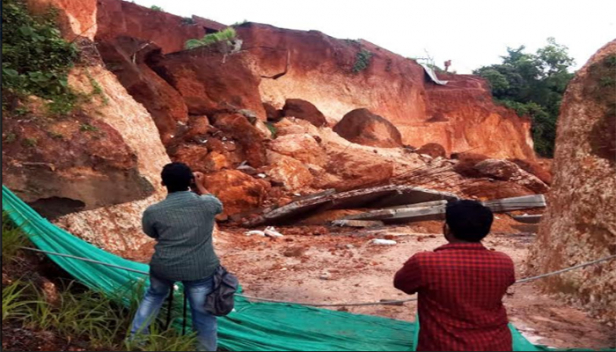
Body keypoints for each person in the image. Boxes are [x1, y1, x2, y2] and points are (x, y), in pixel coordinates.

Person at [394, 200, 515, 352]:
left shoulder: (424, 262)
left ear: (448, 228)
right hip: (496, 345)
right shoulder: (504, 262)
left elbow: (401, 283)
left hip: (443, 346)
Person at [130, 162, 223, 351]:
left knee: (153, 296)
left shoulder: (153, 211)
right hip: (200, 267)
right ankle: (205, 349)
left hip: (164, 266)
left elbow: (151, 233)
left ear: (163, 183)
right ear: (190, 180)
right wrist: (199, 184)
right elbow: (217, 204)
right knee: (202, 312)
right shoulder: (207, 204)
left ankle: (136, 341)